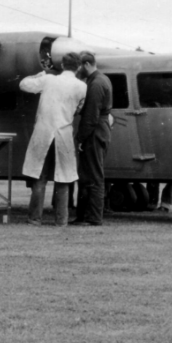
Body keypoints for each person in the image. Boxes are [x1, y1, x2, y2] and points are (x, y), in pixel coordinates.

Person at [20, 52, 87, 226]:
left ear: (62, 65)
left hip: (43, 132)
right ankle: (61, 220)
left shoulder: (49, 79)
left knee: (39, 177)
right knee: (63, 179)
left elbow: (23, 84)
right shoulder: (82, 86)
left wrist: (41, 73)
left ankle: (34, 218)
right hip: (64, 133)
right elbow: (79, 109)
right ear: (79, 67)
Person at [72, 52, 112, 226]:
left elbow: (91, 116)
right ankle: (84, 216)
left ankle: (93, 217)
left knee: (94, 176)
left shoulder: (96, 83)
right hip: (98, 130)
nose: (77, 70)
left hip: (94, 132)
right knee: (88, 175)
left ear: (86, 64)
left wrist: (80, 138)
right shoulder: (100, 79)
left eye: (79, 66)